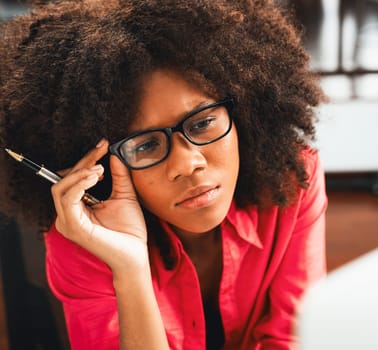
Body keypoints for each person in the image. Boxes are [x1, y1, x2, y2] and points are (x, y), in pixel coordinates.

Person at [0, 1, 328, 349]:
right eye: (144, 146)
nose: (187, 164)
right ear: (104, 166)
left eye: (202, 123)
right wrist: (130, 268)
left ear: (244, 112)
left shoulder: (291, 181)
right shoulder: (86, 241)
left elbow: (294, 339)